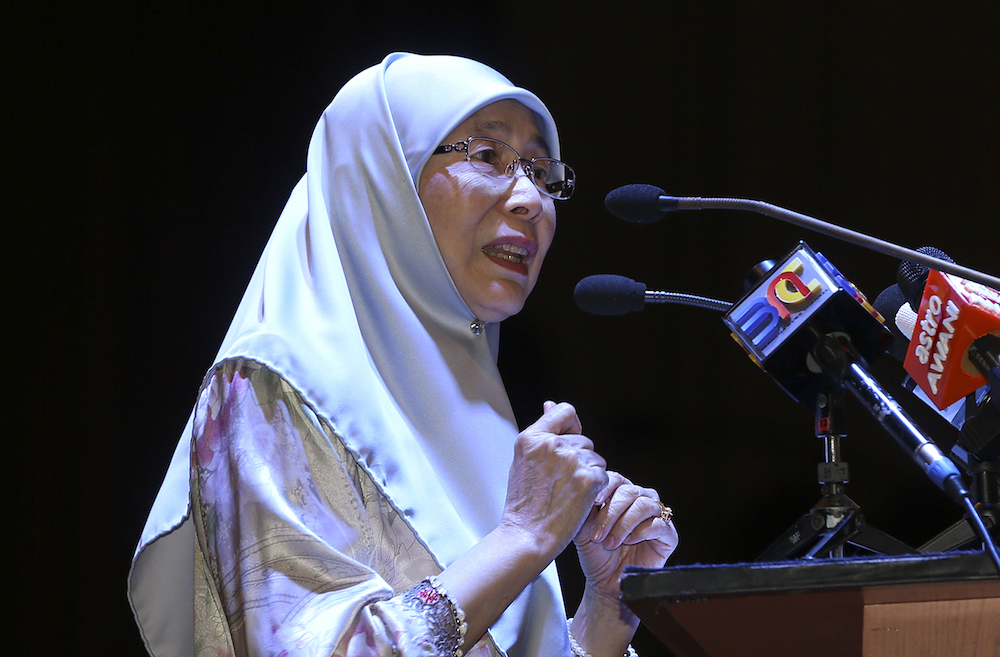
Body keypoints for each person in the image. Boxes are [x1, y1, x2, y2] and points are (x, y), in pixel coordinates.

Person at [128, 52, 678, 657]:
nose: (531, 200)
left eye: (542, 172)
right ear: (384, 179)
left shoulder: (482, 404)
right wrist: (522, 537)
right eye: (488, 156)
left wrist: (605, 612)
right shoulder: (268, 384)